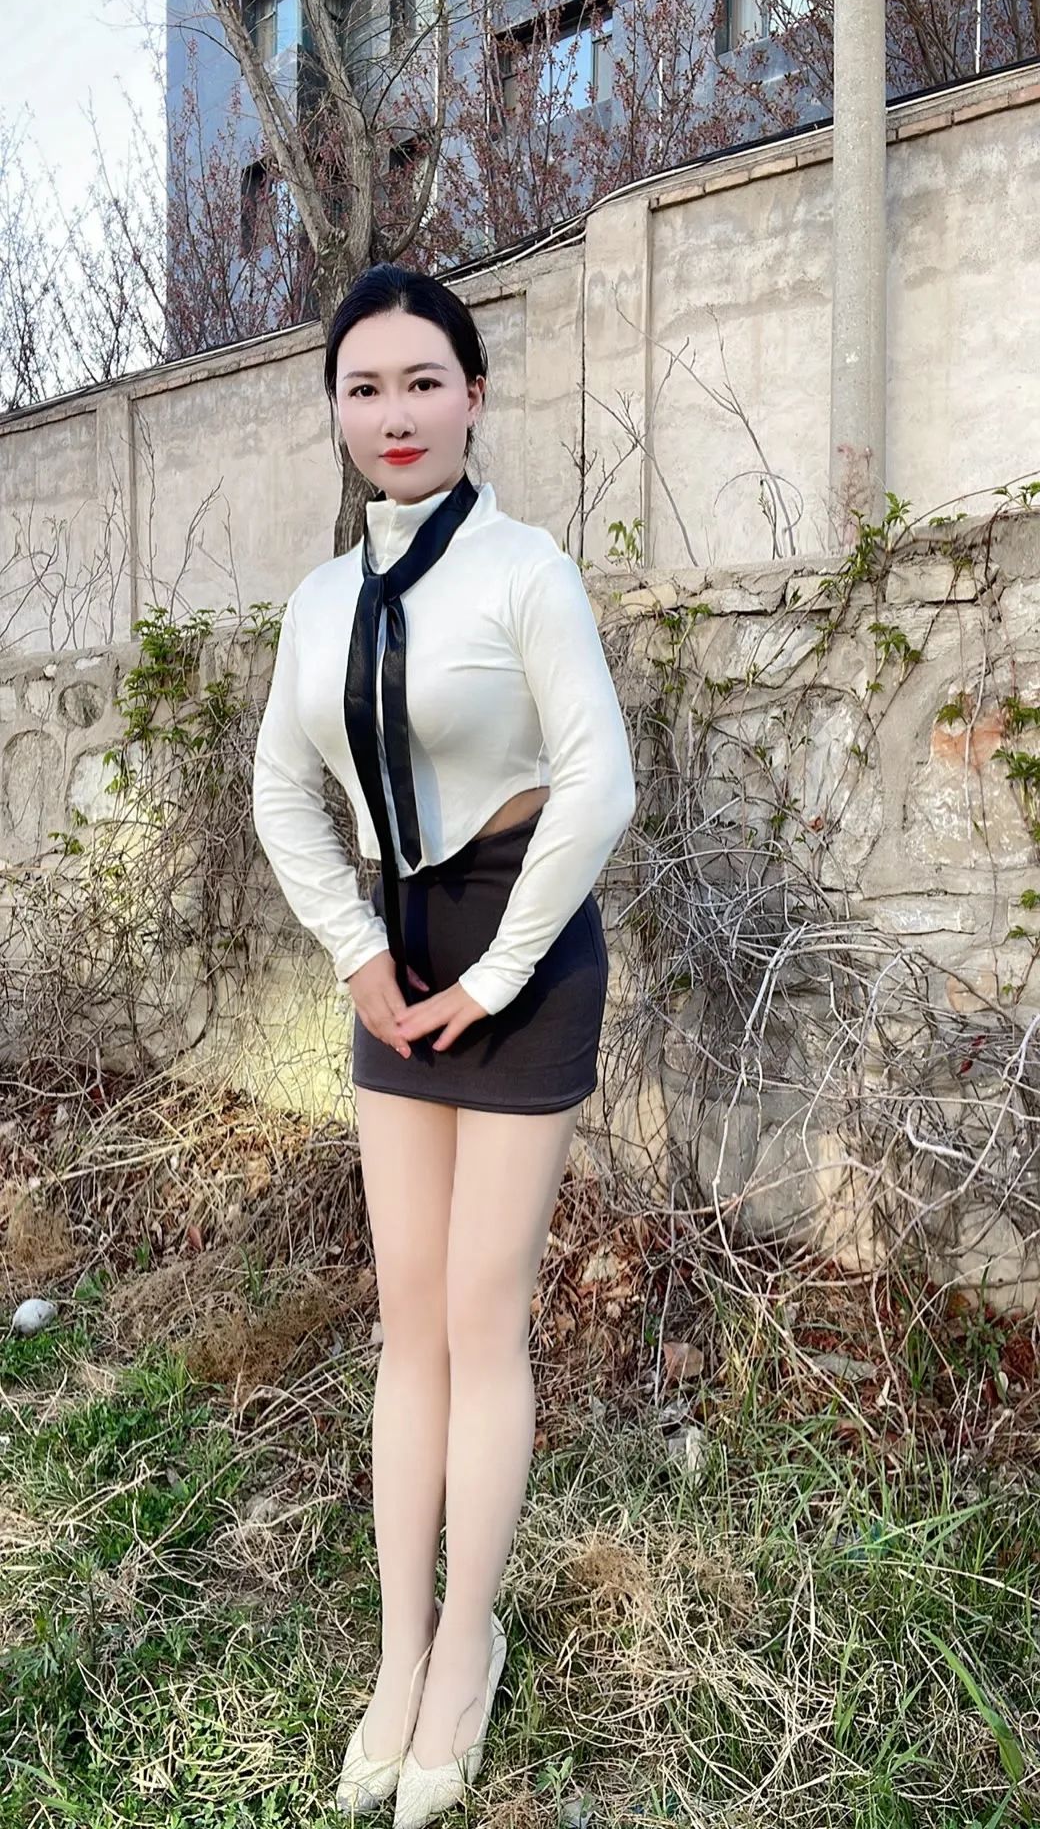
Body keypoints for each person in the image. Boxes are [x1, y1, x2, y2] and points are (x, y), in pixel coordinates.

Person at [251, 262, 636, 1827]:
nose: (395, 412)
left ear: (475, 395)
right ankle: (400, 1651)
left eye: (424, 380)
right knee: (407, 1320)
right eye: (366, 387)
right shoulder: (318, 602)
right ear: (337, 412)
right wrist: (357, 950)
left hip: (519, 944)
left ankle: (468, 1642)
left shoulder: (529, 571)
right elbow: (281, 791)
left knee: (483, 1318)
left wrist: (498, 975)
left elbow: (599, 782)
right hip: (396, 961)